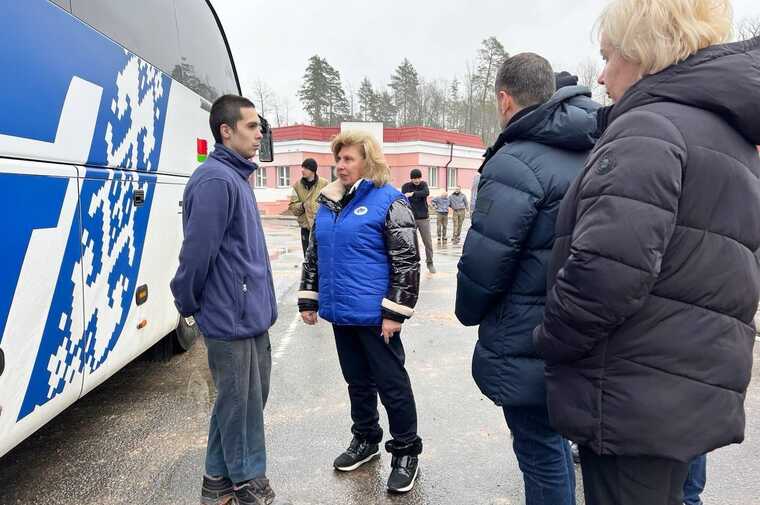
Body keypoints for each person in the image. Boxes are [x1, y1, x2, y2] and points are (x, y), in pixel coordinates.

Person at [533, 2, 760, 504]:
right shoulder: (724, 134)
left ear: (643, 53)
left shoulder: (649, 128)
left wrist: (551, 336)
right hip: (677, 388)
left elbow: (606, 272)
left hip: (629, 397)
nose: (602, 73)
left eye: (609, 56)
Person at [456, 52, 599, 505]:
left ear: (504, 99)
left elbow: (485, 260)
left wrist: (467, 310)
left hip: (527, 334)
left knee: (540, 452)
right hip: (587, 326)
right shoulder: (597, 146)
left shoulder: (513, 161)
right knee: (575, 448)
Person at [297, 130, 423, 494]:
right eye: (338, 159)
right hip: (342, 314)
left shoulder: (389, 200)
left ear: (368, 161)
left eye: (348, 159)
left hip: (377, 316)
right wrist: (309, 298)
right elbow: (314, 254)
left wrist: (395, 312)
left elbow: (406, 261)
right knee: (357, 382)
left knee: (392, 384)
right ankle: (366, 438)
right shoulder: (329, 202)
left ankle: (405, 451)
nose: (340, 165)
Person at [170, 95, 278, 505]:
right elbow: (197, 253)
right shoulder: (215, 180)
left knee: (247, 399)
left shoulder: (236, 177)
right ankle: (249, 482)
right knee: (240, 405)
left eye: (259, 126)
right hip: (229, 316)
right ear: (226, 131)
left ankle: (216, 479)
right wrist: (188, 301)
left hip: (251, 314)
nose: (259, 134)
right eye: (251, 127)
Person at [288, 158, 329, 255]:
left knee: (322, 256)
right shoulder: (297, 186)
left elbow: (331, 205)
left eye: (306, 168)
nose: (303, 170)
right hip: (305, 229)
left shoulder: (324, 184)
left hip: (321, 227)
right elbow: (293, 207)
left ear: (313, 170)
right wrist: (302, 206)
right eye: (302, 167)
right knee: (307, 258)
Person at [402, 169, 436, 273]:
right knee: (410, 243)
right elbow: (403, 197)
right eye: (414, 178)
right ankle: (412, 264)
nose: (416, 180)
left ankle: (430, 263)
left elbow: (426, 192)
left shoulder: (423, 185)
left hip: (423, 218)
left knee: (428, 243)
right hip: (410, 218)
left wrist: (412, 194)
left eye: (418, 178)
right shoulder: (405, 186)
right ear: (411, 178)